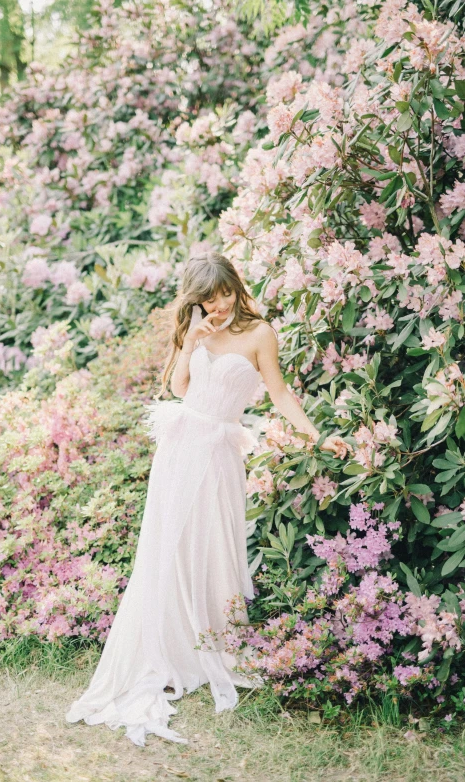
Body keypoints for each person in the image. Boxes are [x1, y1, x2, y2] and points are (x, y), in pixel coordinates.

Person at [65, 252, 349, 746]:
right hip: (179, 448)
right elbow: (179, 387)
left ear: (236, 288)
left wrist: (316, 436)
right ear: (195, 300)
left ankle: (209, 643)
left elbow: (280, 394)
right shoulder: (196, 329)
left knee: (211, 543)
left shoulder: (260, 334)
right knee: (167, 545)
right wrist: (191, 339)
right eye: (207, 299)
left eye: (224, 295)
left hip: (218, 452)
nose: (218, 306)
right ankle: (168, 648)